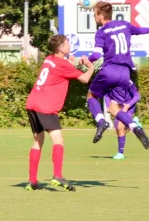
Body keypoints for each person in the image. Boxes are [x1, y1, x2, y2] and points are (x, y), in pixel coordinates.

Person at [25, 35, 95, 191]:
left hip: (33, 102)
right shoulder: (62, 64)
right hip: (45, 106)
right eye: (67, 43)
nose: (69, 45)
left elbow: (61, 68)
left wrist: (70, 61)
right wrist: (91, 67)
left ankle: (32, 181)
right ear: (61, 48)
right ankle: (57, 176)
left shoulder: (49, 59)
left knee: (38, 141)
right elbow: (83, 79)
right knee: (58, 140)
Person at [83, 1, 149, 149]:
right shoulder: (124, 24)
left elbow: (96, 54)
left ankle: (101, 121)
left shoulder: (101, 32)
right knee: (115, 109)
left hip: (110, 70)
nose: (94, 17)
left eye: (95, 14)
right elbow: (140, 30)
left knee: (91, 95)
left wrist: (86, 59)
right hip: (125, 73)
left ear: (101, 16)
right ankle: (135, 127)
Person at [104, 81, 142, 160]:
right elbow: (107, 95)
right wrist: (108, 106)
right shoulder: (109, 81)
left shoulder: (127, 81)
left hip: (128, 105)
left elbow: (137, 95)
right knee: (118, 129)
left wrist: (128, 105)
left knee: (120, 126)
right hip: (117, 105)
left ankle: (120, 154)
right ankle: (134, 123)